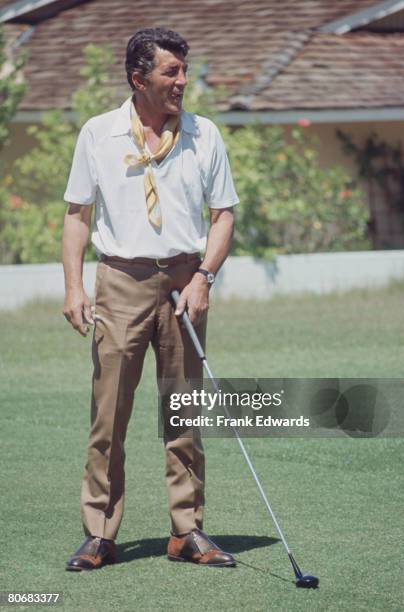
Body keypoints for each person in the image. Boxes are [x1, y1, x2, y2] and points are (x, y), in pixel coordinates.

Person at [62, 27, 239, 571]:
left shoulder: (204, 135)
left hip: (186, 283)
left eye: (184, 70)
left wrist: (205, 276)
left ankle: (187, 532)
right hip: (120, 283)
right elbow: (77, 215)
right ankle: (100, 534)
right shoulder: (98, 134)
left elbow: (223, 214)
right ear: (139, 80)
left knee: (184, 410)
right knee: (109, 414)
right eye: (171, 72)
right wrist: (73, 287)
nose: (183, 81)